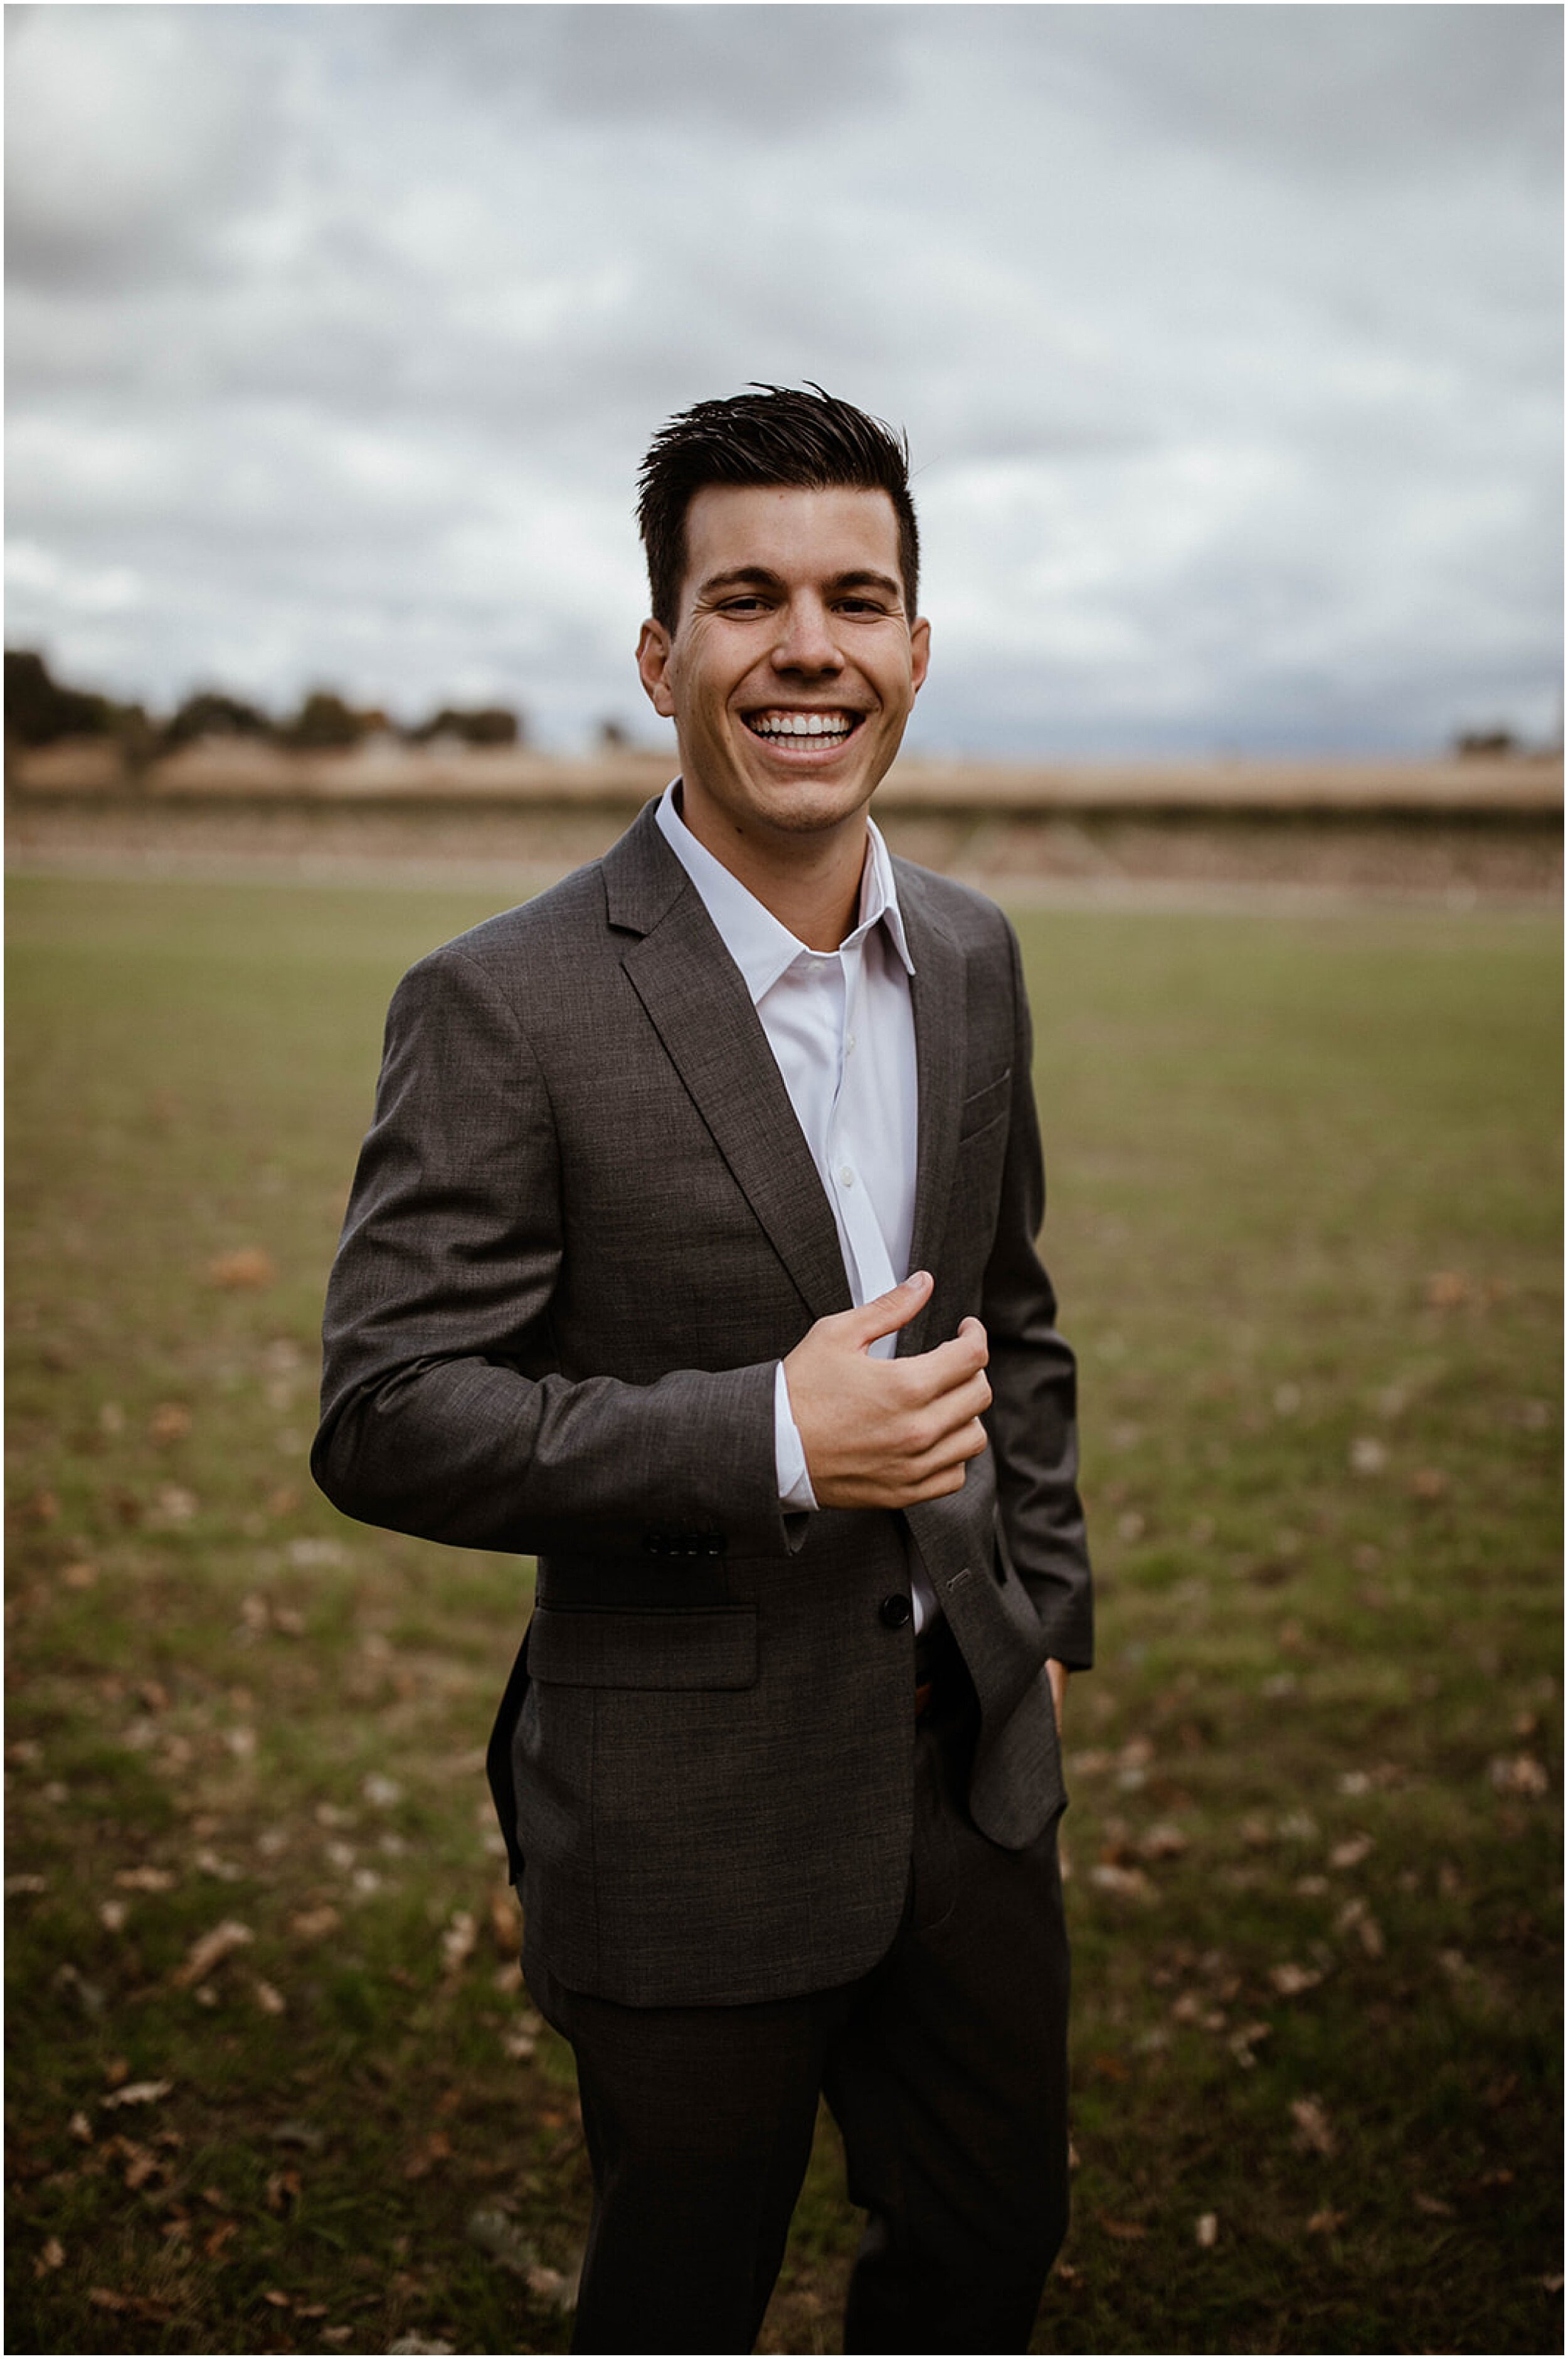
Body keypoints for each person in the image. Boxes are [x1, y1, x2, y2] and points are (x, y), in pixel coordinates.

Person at [312, 385, 1093, 2355]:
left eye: (858, 597)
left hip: (968, 1777)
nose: (807, 647)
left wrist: (1043, 1615)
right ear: (662, 655)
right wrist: (766, 1432)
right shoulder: (503, 999)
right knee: (676, 2300)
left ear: (916, 642)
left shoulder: (979, 955)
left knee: (984, 2258)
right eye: (746, 599)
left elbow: (1017, 1306)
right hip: (686, 1806)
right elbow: (390, 1409)